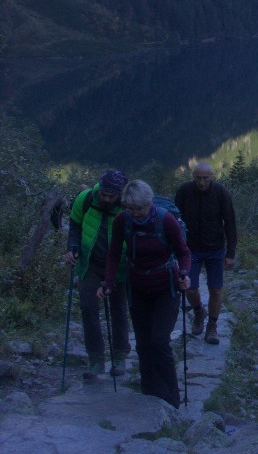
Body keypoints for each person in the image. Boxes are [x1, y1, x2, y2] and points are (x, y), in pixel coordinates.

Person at [99, 179, 191, 408]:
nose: (136, 213)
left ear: (149, 203)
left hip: (166, 288)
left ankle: (171, 396)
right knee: (142, 343)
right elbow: (113, 253)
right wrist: (108, 282)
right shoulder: (123, 220)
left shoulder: (166, 220)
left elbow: (183, 251)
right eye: (131, 209)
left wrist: (185, 274)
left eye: (140, 209)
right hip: (138, 287)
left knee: (159, 340)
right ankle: (148, 390)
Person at [66, 170, 130, 380]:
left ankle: (120, 355)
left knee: (118, 309)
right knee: (88, 307)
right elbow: (75, 224)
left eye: (112, 196)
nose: (106, 199)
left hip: (119, 265)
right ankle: (95, 358)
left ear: (119, 194)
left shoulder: (128, 205)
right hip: (90, 263)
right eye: (104, 194)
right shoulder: (85, 200)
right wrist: (72, 246)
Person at [174, 162, 237, 345]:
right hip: (190, 249)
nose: (202, 182)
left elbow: (230, 222)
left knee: (215, 288)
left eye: (205, 178)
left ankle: (212, 326)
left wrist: (230, 253)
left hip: (215, 249)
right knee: (189, 286)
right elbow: (175, 219)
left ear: (211, 177)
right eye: (198, 178)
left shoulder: (221, 192)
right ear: (193, 177)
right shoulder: (184, 191)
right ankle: (198, 311)